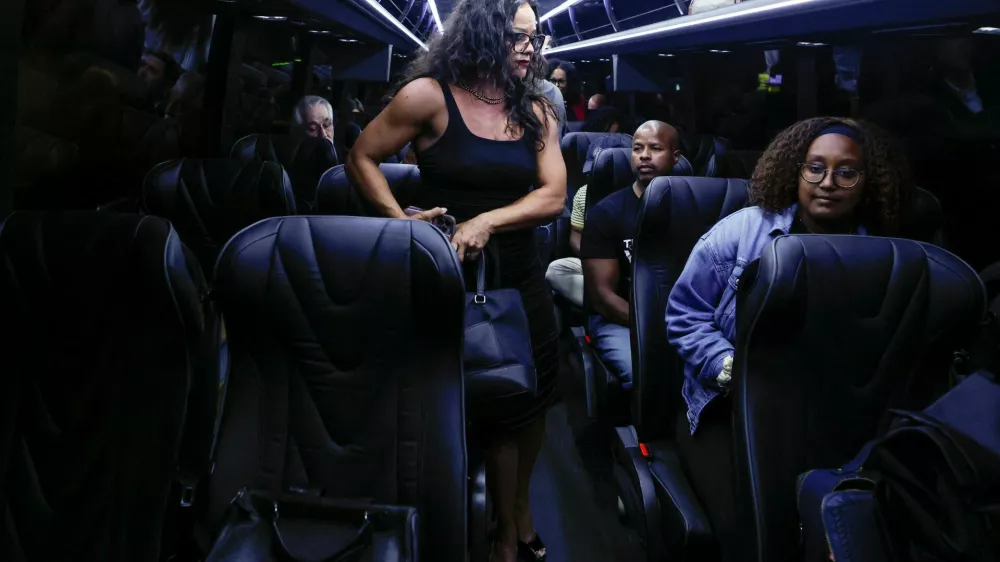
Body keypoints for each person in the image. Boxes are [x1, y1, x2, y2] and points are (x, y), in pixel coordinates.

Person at [344, 2, 565, 561]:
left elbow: (553, 195)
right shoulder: (427, 96)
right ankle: (491, 529)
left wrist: (487, 221)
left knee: (530, 399)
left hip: (519, 278)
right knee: (471, 406)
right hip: (445, 279)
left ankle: (515, 510)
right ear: (484, 35)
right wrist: (401, 224)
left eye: (534, 40)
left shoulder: (536, 110)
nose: (528, 49)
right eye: (517, 38)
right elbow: (363, 157)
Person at [665, 117, 912, 562]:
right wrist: (732, 371)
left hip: (822, 409)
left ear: (865, 182)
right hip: (724, 407)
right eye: (814, 168)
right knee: (752, 529)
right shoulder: (741, 233)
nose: (828, 183)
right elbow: (683, 316)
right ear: (795, 170)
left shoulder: (879, 253)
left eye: (846, 172)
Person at [581, 121, 680, 388]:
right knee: (644, 373)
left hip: (681, 320)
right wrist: (660, 328)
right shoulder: (606, 213)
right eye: (637, 149)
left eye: (655, 148)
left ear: (675, 157)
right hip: (620, 321)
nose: (644, 155)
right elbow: (603, 299)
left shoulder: (691, 209)